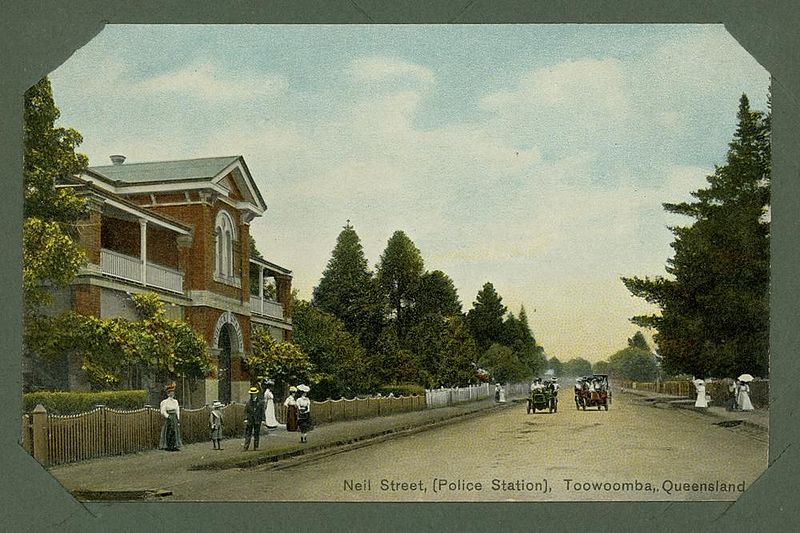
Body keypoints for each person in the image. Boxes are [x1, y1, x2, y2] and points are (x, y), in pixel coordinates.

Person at [159, 382, 182, 451]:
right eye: (170, 393)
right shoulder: (165, 402)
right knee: (168, 431)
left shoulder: (175, 401)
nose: (172, 394)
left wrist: (178, 418)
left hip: (174, 417)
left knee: (175, 431)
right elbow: (162, 411)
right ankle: (168, 446)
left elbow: (177, 410)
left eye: (172, 392)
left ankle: (175, 445)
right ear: (168, 394)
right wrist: (168, 416)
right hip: (169, 418)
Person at [243, 386, 266, 450]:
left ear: (256, 394)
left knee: (256, 433)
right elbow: (246, 412)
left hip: (257, 419)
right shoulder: (248, 403)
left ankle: (256, 446)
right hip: (250, 420)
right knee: (248, 433)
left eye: (254, 394)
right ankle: (246, 446)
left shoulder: (260, 402)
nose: (253, 395)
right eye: (252, 394)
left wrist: (263, 420)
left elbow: (262, 411)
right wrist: (245, 419)